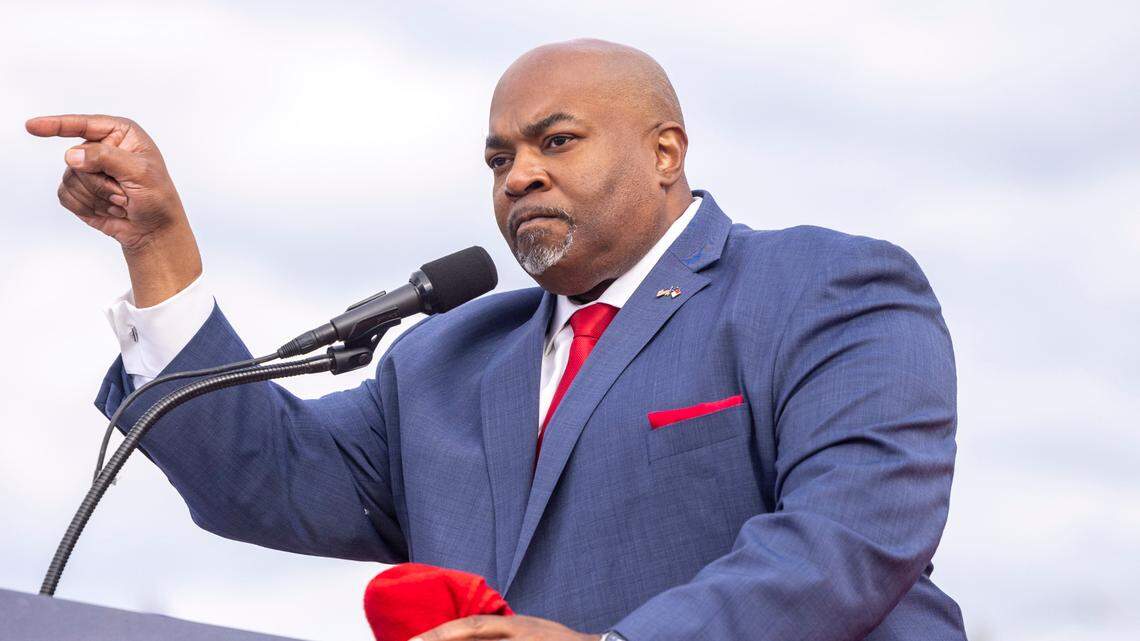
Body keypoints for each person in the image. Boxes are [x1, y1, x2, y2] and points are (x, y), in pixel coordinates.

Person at [27, 39, 967, 640]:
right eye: (499, 157)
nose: (518, 176)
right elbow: (259, 476)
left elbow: (849, 536)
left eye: (556, 142)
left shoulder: (823, 286)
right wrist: (157, 245)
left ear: (665, 152)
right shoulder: (445, 358)